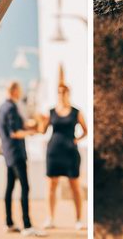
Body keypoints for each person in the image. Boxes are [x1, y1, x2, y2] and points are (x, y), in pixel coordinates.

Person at [0, 81, 46, 236]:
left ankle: (9, 223)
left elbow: (5, 129)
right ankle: (27, 225)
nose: (21, 93)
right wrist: (32, 133)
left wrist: (31, 126)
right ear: (14, 91)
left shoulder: (2, 107)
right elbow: (15, 132)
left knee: (10, 187)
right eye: (20, 90)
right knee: (25, 187)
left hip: (8, 152)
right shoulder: (11, 108)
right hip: (17, 153)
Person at [43, 84, 88, 230]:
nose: (61, 94)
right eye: (59, 92)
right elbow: (43, 130)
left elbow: (85, 131)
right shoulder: (51, 112)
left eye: (64, 92)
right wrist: (39, 121)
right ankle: (50, 218)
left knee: (75, 186)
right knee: (51, 186)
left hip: (70, 153)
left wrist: (76, 140)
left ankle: (79, 219)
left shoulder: (76, 112)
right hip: (53, 152)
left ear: (69, 93)